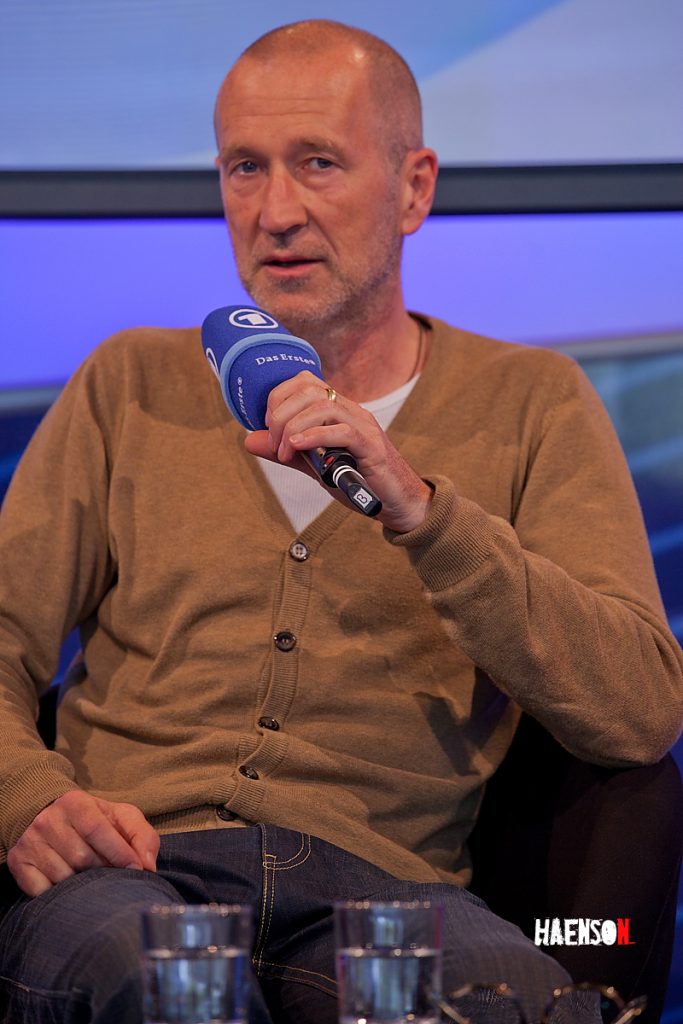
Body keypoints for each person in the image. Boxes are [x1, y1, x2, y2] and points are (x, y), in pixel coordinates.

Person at [0, 18, 682, 1024]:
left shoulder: (532, 401)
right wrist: (25, 796)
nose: (275, 211)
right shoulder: (129, 382)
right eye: (244, 167)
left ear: (413, 188)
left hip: (387, 887)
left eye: (317, 162)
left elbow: (638, 707)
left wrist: (425, 515)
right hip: (134, 869)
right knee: (164, 987)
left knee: (506, 1004)